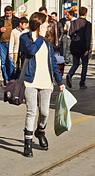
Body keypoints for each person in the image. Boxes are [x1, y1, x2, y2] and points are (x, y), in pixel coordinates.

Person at [19, 13, 66, 157]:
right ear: (38, 25)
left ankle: (40, 132)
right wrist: (39, 37)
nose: (47, 26)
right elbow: (31, 50)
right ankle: (27, 143)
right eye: (45, 23)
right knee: (31, 111)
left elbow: (52, 61)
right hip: (30, 80)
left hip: (46, 81)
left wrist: (60, 81)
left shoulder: (46, 41)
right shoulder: (24, 38)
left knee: (44, 112)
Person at [66, 7, 92, 89]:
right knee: (84, 64)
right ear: (85, 14)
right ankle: (82, 83)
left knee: (75, 63)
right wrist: (87, 48)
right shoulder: (87, 24)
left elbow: (70, 33)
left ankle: (70, 74)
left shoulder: (73, 22)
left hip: (74, 45)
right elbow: (88, 37)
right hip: (83, 46)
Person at [0, 6, 20, 84]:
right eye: (7, 13)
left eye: (9, 13)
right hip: (2, 43)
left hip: (12, 44)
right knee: (3, 63)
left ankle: (11, 78)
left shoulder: (16, 20)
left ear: (12, 12)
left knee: (11, 62)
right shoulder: (0, 20)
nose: (8, 15)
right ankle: (6, 79)